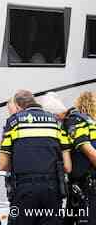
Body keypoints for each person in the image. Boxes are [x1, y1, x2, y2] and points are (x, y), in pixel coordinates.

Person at [0, 90, 71, 225]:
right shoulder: (56, 122)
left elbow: (3, 165)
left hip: (24, 191)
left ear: (19, 106)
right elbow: (67, 166)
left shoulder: (14, 122)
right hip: (52, 191)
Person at [63, 91, 96, 225]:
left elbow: (90, 152)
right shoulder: (83, 121)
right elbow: (90, 152)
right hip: (86, 188)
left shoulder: (79, 121)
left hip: (85, 186)